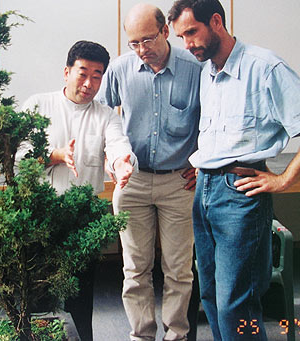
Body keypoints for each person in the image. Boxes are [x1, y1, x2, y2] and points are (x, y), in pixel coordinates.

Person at [169, 1, 300, 340]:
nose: (187, 44)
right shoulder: (208, 72)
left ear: (216, 21)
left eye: (191, 32)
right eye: (180, 37)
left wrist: (285, 179)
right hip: (204, 191)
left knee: (236, 303)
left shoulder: (264, 67)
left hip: (240, 194)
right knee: (211, 296)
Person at [97, 3, 202, 340]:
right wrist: (111, 160)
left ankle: (176, 334)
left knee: (179, 270)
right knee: (135, 269)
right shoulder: (120, 69)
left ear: (165, 31)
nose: (141, 51)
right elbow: (99, 118)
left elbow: (213, 121)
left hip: (179, 183)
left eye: (148, 40)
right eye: (134, 43)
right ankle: (141, 334)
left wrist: (202, 161)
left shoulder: (195, 68)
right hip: (133, 181)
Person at [21, 40, 137, 341]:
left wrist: (123, 162)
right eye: (82, 73)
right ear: (66, 72)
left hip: (83, 217)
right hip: (40, 215)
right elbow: (17, 158)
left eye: (97, 76)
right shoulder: (38, 105)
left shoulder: (106, 116)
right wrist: (55, 155)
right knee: (39, 297)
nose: (89, 83)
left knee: (80, 298)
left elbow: (118, 145)